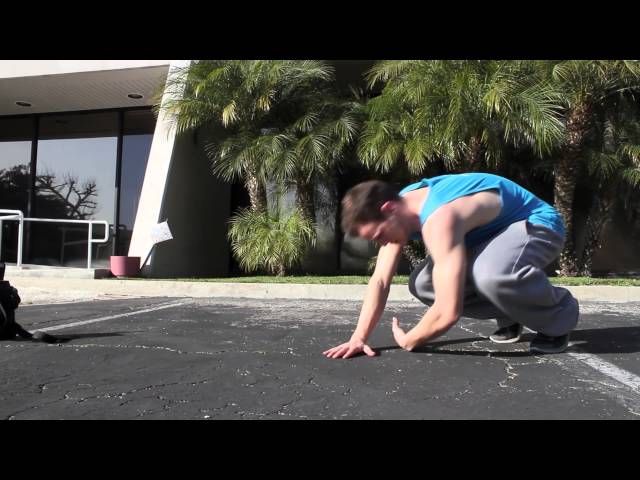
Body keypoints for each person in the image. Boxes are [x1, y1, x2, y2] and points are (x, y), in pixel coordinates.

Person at [322, 172, 579, 359]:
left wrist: (411, 339)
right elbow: (379, 281)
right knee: (423, 284)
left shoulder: (440, 218)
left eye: (378, 234)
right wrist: (359, 337)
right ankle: (512, 313)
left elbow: (448, 310)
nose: (381, 242)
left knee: (490, 273)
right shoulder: (401, 210)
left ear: (389, 209)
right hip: (487, 238)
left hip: (537, 224)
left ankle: (558, 318)